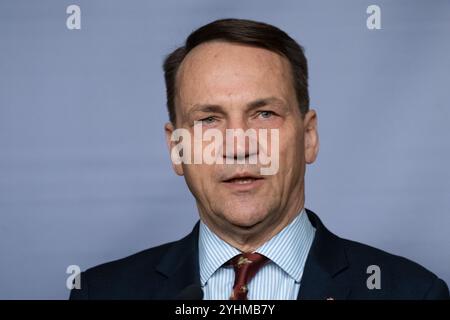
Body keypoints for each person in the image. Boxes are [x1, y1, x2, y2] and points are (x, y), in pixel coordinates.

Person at [70, 18, 449, 300]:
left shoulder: (413, 292)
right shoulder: (101, 293)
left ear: (308, 137)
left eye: (264, 114)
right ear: (177, 149)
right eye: (208, 120)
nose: (238, 146)